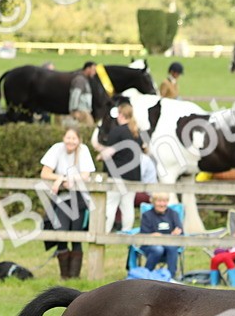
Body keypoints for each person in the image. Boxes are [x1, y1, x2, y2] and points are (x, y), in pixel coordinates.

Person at [39, 126, 95, 279]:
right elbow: (45, 173)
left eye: (74, 138)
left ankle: (75, 277)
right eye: (68, 137)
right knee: (61, 233)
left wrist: (65, 178)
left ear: (78, 140)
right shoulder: (57, 149)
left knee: (76, 236)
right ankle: (64, 277)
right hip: (61, 198)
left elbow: (85, 175)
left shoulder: (83, 150)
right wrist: (60, 178)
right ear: (64, 138)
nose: (70, 141)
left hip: (79, 198)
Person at [99, 100, 144, 233]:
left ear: (120, 115)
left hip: (117, 174)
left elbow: (109, 153)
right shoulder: (137, 132)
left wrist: (100, 154)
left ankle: (104, 232)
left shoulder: (117, 131)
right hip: (133, 176)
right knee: (127, 206)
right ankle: (127, 233)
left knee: (110, 205)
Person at [139, 192, 184, 277]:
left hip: (170, 244)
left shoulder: (173, 214)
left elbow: (179, 231)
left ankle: (171, 277)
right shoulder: (147, 215)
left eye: (165, 201)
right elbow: (144, 234)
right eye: (159, 201)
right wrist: (153, 236)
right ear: (153, 202)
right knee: (158, 249)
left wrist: (172, 235)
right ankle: (146, 276)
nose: (162, 204)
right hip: (151, 245)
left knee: (172, 246)